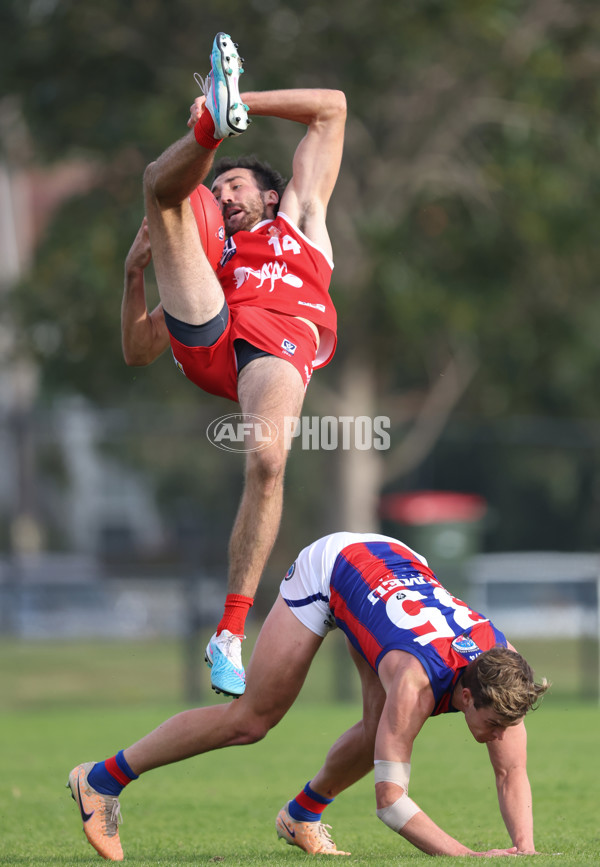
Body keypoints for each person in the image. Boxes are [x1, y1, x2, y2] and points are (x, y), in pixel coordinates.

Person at [67, 531, 548, 861]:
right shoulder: (414, 684)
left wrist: (523, 850)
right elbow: (391, 803)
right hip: (334, 569)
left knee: (376, 735)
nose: (503, 734)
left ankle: (300, 816)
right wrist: (467, 858)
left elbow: (512, 772)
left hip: (395, 566)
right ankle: (101, 779)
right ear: (465, 696)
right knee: (250, 720)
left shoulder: (502, 669)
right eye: (496, 725)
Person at [120, 31, 346, 698]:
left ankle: (228, 631)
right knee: (162, 194)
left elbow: (330, 107)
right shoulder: (215, 255)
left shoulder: (300, 220)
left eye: (237, 183)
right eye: (218, 185)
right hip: (211, 330)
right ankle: (207, 127)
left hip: (274, 343)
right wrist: (133, 277)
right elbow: (137, 351)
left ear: (271, 197)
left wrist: (244, 99)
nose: (225, 194)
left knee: (269, 460)